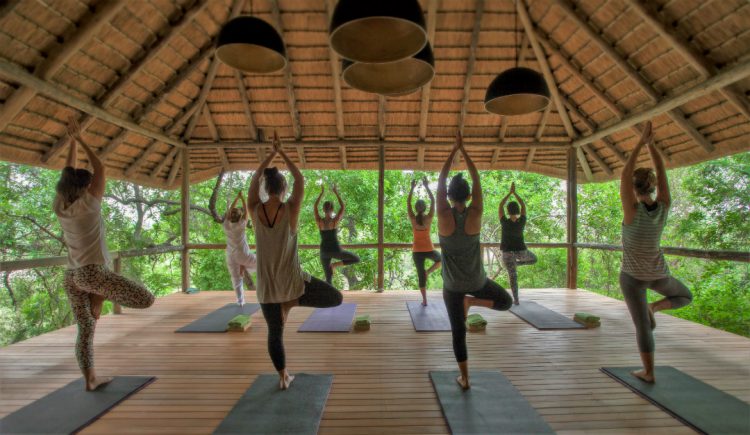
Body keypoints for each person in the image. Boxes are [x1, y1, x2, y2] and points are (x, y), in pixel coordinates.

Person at [54, 119, 154, 391]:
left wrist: (72, 142)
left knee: (85, 329)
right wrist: (82, 139)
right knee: (146, 299)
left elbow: (68, 173)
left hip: (72, 275)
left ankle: (90, 379)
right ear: (87, 188)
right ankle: (101, 295)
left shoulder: (61, 206)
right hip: (91, 273)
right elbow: (100, 168)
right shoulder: (89, 204)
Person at [248, 132, 343, 390]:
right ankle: (291, 303)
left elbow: (255, 178)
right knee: (336, 298)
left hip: (266, 287)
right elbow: (299, 178)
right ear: (284, 188)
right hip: (292, 283)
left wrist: (270, 155)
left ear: (266, 188)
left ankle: (283, 377)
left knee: (274, 333)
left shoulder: (254, 210)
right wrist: (283, 153)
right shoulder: (290, 210)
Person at [437, 132, 513, 390]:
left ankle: (466, 378)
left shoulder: (443, 214)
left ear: (449, 196)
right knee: (506, 301)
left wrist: (452, 152)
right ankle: (474, 301)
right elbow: (477, 179)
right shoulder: (476, 213)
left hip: (452, 286)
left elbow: (441, 179)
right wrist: (464, 152)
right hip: (477, 281)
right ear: (468, 196)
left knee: (458, 332)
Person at [619, 121, 692, 383]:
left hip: (632, 277)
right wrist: (652, 146)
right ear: (652, 186)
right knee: (685, 296)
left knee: (642, 326)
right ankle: (656, 306)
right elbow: (661, 172)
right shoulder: (663, 208)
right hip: (658, 274)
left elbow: (625, 174)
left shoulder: (631, 211)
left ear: (635, 190)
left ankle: (648, 371)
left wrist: (640, 142)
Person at [498, 182, 537, 305]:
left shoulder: (504, 221)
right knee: (534, 259)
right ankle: (517, 264)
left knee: (512, 277)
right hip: (521, 252)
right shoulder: (522, 221)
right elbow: (523, 205)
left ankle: (516, 300)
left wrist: (509, 193)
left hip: (507, 254)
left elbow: (500, 205)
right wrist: (515, 193)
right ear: (518, 211)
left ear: (508, 211)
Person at [314, 184, 360, 284]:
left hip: (324, 252)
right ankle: (335, 265)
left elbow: (315, 206)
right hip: (335, 251)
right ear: (332, 210)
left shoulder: (319, 222)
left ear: (323, 209)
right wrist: (335, 192)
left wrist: (321, 194)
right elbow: (343, 206)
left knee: (329, 280)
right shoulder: (334, 222)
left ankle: (328, 298)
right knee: (356, 258)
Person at [407, 177, 441, 305]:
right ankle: (429, 272)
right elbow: (433, 201)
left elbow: (408, 203)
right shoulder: (429, 218)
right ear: (425, 208)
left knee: (421, 276)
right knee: (441, 260)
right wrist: (427, 186)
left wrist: (412, 189)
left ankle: (425, 301)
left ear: (416, 208)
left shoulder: (413, 219)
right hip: (429, 249)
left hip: (417, 251)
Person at [220, 190, 257, 305]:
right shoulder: (241, 225)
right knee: (264, 264)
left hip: (230, 255)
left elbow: (229, 212)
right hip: (242, 254)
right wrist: (242, 198)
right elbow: (247, 212)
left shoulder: (226, 226)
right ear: (240, 216)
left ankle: (240, 301)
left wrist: (237, 199)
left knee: (236, 279)